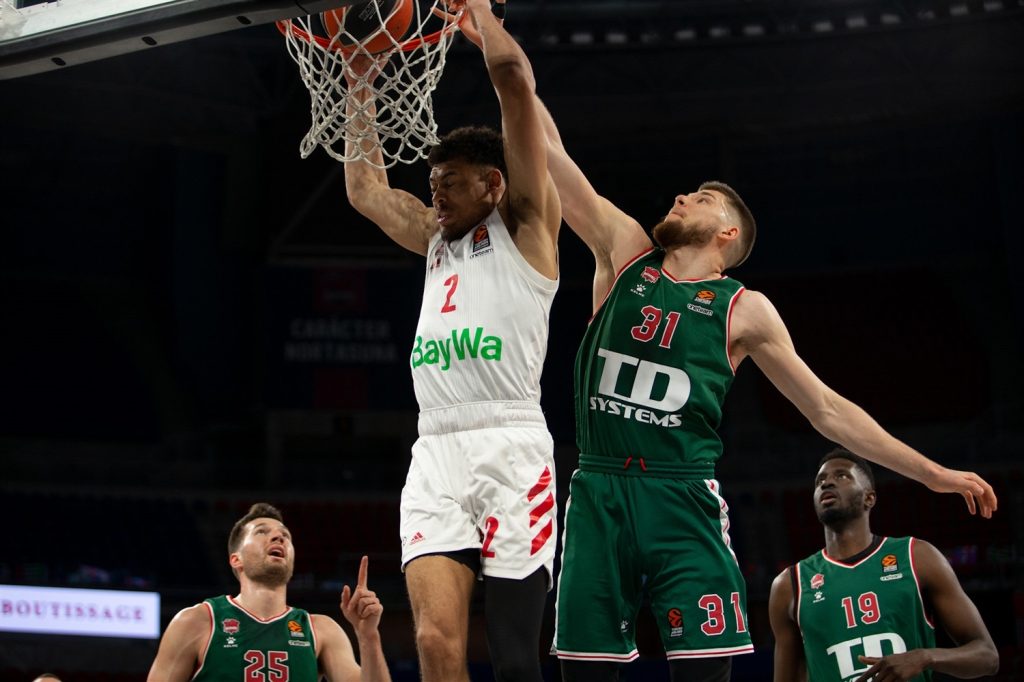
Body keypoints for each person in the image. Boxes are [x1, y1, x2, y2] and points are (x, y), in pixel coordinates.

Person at [521, 55, 999, 682]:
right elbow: (549, 148)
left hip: (681, 492)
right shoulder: (624, 250)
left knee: (705, 669)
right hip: (597, 487)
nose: (681, 195)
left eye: (700, 197)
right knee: (584, 672)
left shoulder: (745, 310)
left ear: (725, 232)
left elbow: (828, 410)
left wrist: (932, 473)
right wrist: (504, 60)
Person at [340, 1, 561, 681]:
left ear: (493, 185)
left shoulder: (527, 228)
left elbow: (514, 84)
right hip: (435, 446)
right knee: (436, 646)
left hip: (511, 446)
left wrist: (483, 18)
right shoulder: (436, 239)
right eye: (433, 187)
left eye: (450, 186)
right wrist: (358, 78)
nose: (435, 199)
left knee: (518, 658)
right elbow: (365, 191)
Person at [769, 449, 999, 681]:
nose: (827, 483)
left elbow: (987, 657)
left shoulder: (916, 556)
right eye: (820, 481)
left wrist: (925, 657)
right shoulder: (790, 584)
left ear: (870, 497)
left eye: (842, 476)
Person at [146, 503, 390, 682]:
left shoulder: (320, 629)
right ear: (235, 559)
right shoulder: (197, 621)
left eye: (286, 536)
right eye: (262, 531)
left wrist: (368, 636)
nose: (278, 537)